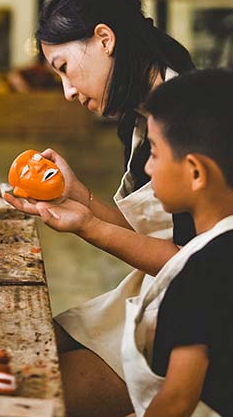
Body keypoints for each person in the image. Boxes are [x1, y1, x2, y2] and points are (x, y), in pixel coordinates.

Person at [4, 0, 195, 417]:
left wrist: (88, 226)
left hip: (196, 315)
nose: (67, 92)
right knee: (16, 346)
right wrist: (80, 197)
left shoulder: (190, 121)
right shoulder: (138, 117)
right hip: (155, 292)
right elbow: (150, 235)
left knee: (25, 395)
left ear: (105, 39)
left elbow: (191, 267)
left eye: (64, 67)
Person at [122, 68, 233, 417]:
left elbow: (176, 401)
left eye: (154, 153)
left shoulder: (201, 273)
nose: (148, 168)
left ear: (196, 172)